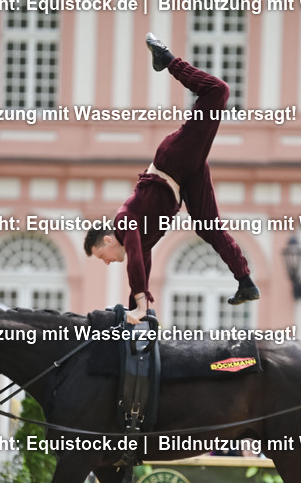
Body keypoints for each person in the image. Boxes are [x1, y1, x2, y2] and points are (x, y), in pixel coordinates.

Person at [84, 34, 259, 324]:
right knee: (208, 227)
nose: (106, 262)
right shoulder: (141, 238)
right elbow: (142, 265)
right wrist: (135, 311)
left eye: (101, 255)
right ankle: (245, 281)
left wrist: (140, 304)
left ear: (106, 239)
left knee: (217, 92)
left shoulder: (125, 220)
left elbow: (136, 264)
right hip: (184, 178)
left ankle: (168, 59)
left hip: (173, 161)